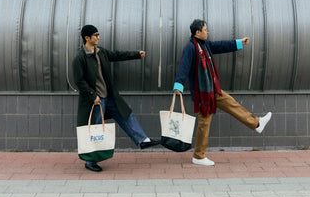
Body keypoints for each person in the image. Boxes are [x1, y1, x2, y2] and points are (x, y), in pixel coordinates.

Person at [173, 19, 272, 166]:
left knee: (231, 104)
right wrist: (178, 85)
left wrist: (239, 43)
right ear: (197, 32)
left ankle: (256, 124)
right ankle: (199, 156)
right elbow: (184, 66)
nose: (208, 32)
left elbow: (221, 45)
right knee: (204, 123)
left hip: (213, 90)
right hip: (202, 94)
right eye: (205, 30)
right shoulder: (191, 47)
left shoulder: (205, 45)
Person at [72, 25, 160, 172]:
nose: (98, 37)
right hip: (95, 101)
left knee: (126, 114)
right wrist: (92, 96)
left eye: (98, 34)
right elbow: (79, 81)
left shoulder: (101, 52)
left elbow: (118, 55)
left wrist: (137, 54)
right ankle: (90, 161)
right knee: (96, 129)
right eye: (95, 35)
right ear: (87, 37)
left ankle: (143, 140)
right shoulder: (80, 57)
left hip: (109, 97)